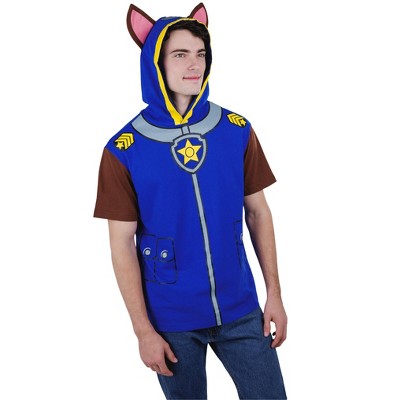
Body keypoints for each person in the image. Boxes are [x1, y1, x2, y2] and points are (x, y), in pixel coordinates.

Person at [94, 3, 287, 399]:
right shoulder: (123, 150)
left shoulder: (235, 130)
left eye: (201, 53)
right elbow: (121, 245)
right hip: (171, 319)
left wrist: (275, 294)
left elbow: (258, 213)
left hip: (240, 307)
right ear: (155, 63)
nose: (194, 64)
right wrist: (143, 331)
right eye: (180, 55)